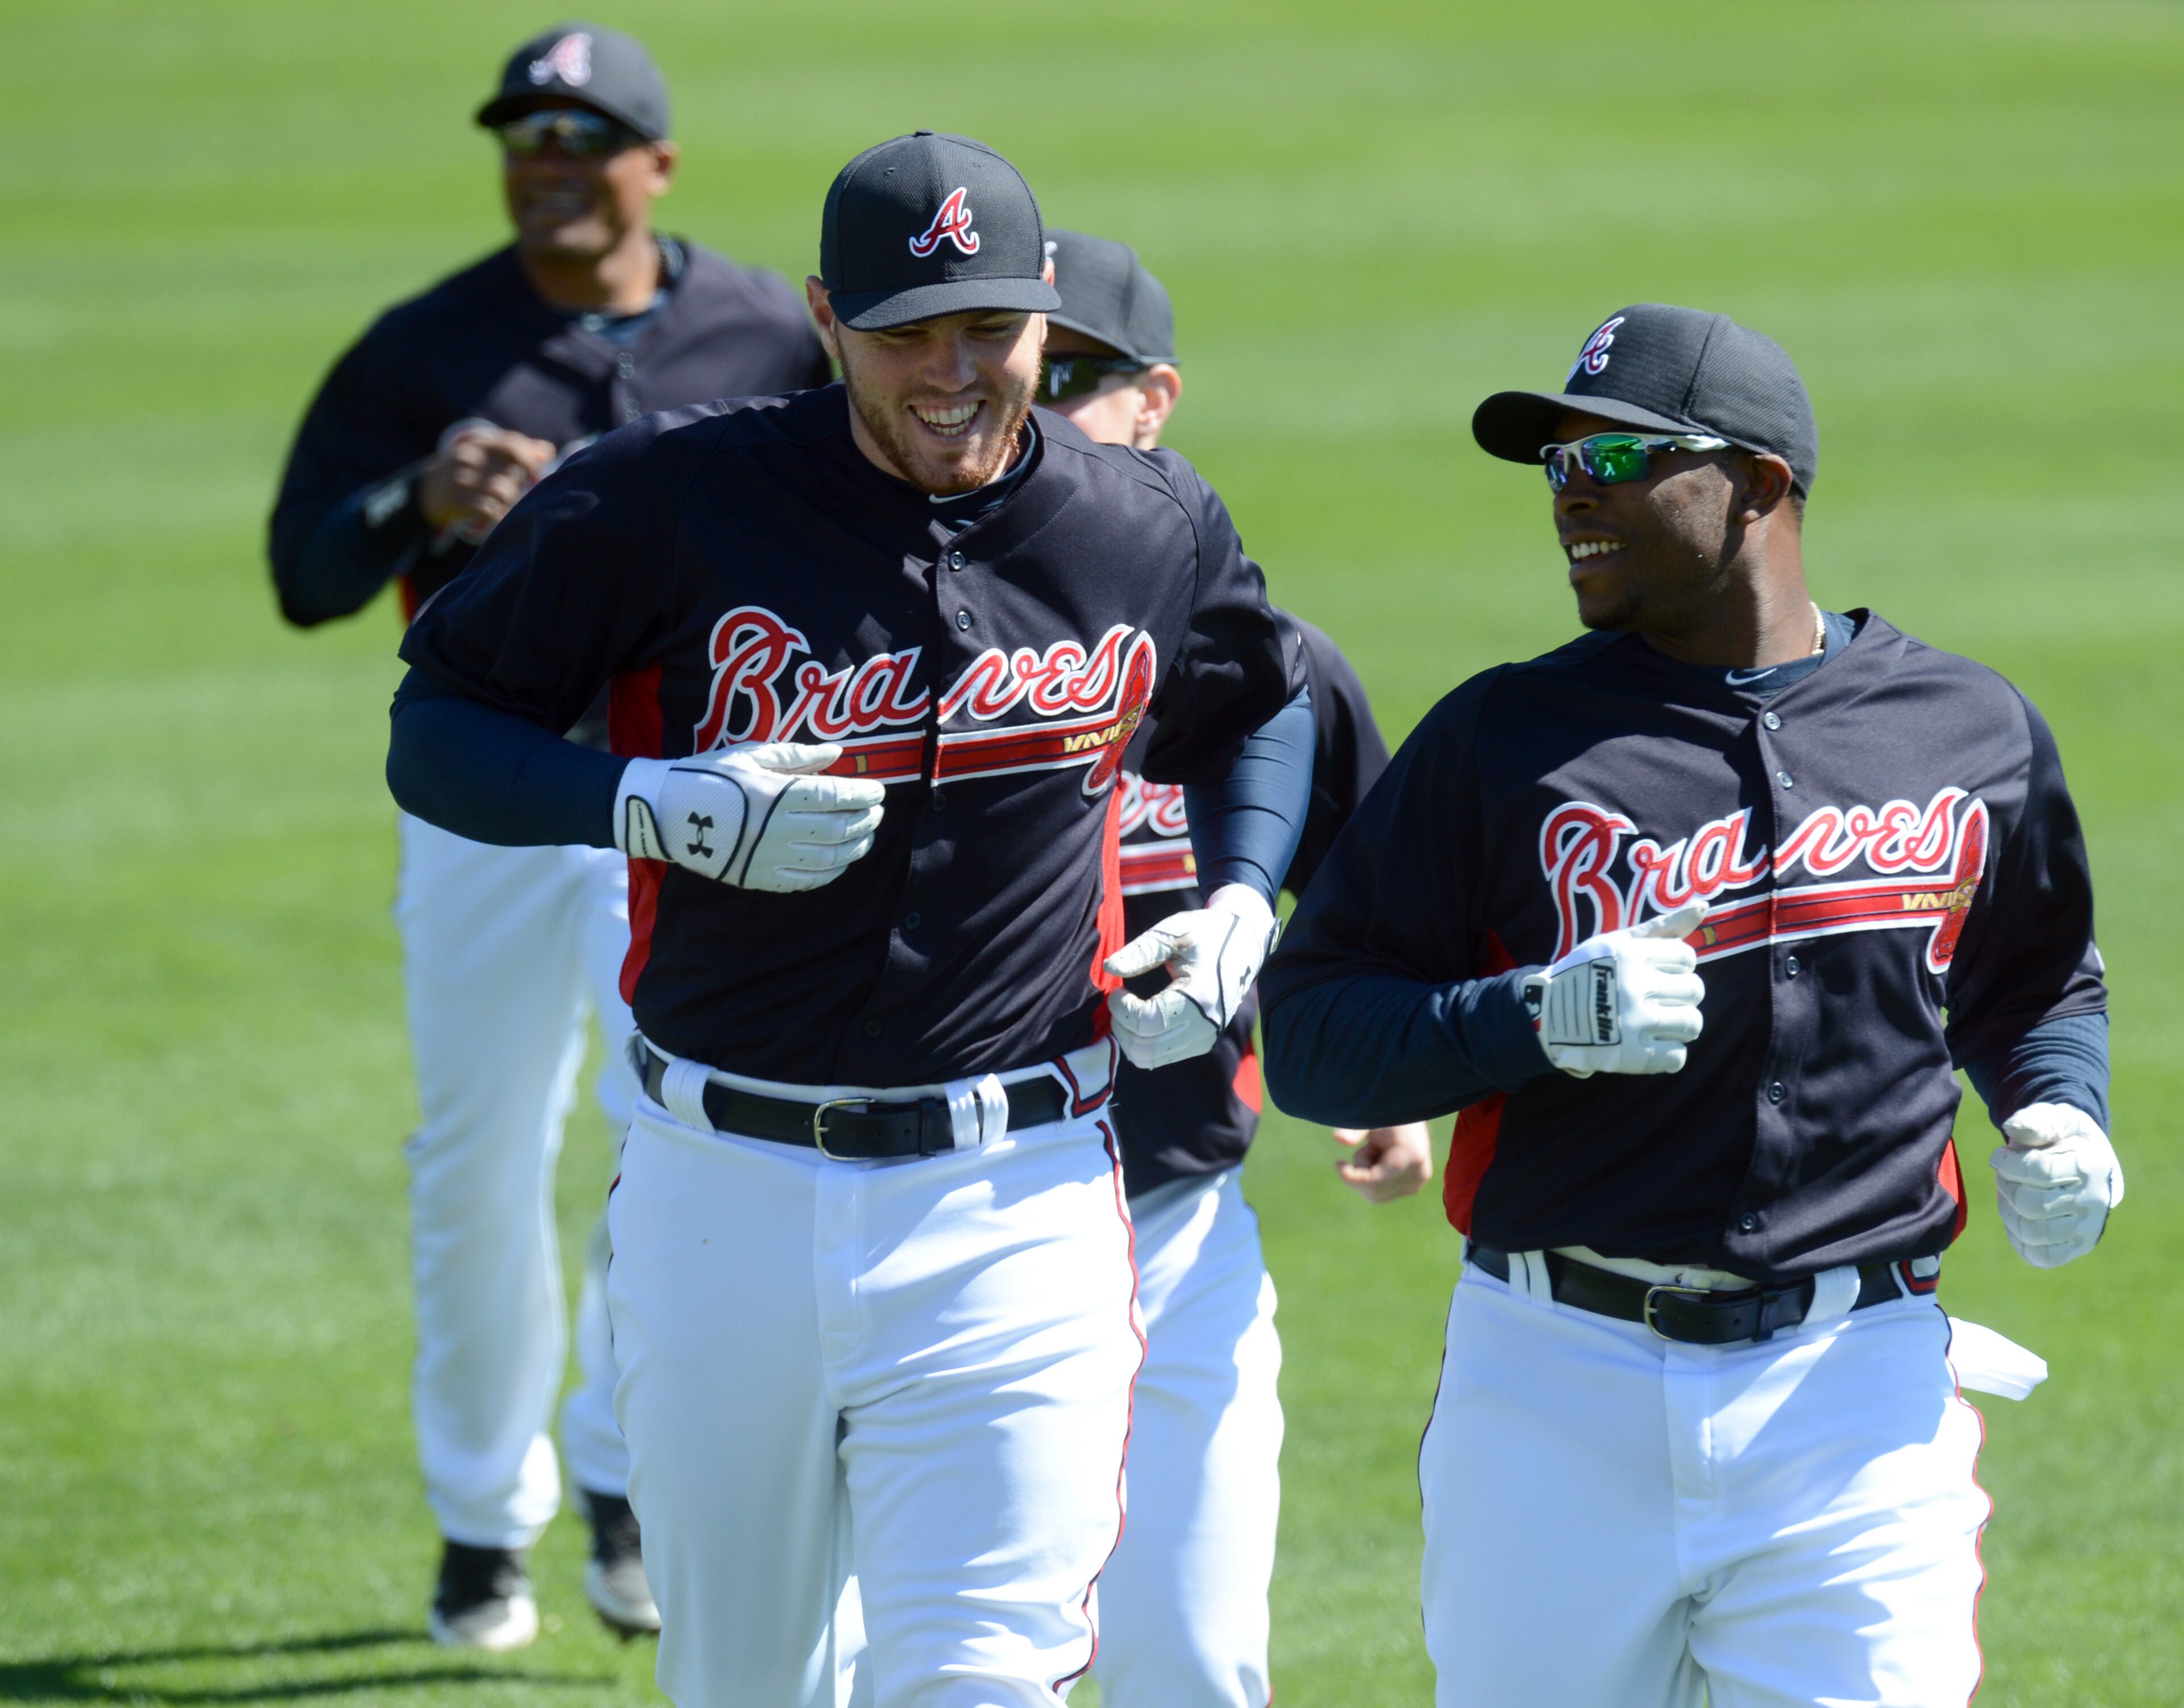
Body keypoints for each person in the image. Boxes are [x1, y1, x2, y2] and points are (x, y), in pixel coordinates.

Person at [382, 130, 1313, 1708]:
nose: (955, 372)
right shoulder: (670, 500)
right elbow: (440, 731)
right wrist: (646, 799)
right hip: (718, 1190)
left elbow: (1263, 702)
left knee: (979, 1680)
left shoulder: (1139, 523)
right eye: (907, 333)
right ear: (826, 317)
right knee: (747, 1682)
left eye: (993, 329)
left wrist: (1236, 899)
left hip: (1020, 1204)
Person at [1259, 303, 2121, 1708]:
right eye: (1555, 465)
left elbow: (2036, 977)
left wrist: (2062, 1110)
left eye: (1615, 455)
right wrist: (1527, 1016)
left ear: (1762, 484)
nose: (1574, 492)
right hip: (1556, 1386)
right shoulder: (1501, 740)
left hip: (1858, 1389)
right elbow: (1310, 1036)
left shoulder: (1968, 728)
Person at [266, 22, 832, 1649]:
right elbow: (303, 568)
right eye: (525, 140)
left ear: (654, 165)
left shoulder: (759, 328)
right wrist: (414, 503)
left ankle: (622, 1482)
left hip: (699, 800)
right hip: (492, 805)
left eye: (583, 143)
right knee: (476, 1159)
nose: (549, 168)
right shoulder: (426, 346)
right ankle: (476, 1517)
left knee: (674, 1140)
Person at [1038, 229, 1432, 1708]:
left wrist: (1376, 1084)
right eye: (1031, 370)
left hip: (1179, 1227)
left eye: (1082, 375)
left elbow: (1365, 909)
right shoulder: (919, 642)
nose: (1045, 401)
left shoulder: (1272, 667)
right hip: (945, 1203)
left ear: (1160, 402)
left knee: (1195, 1665)